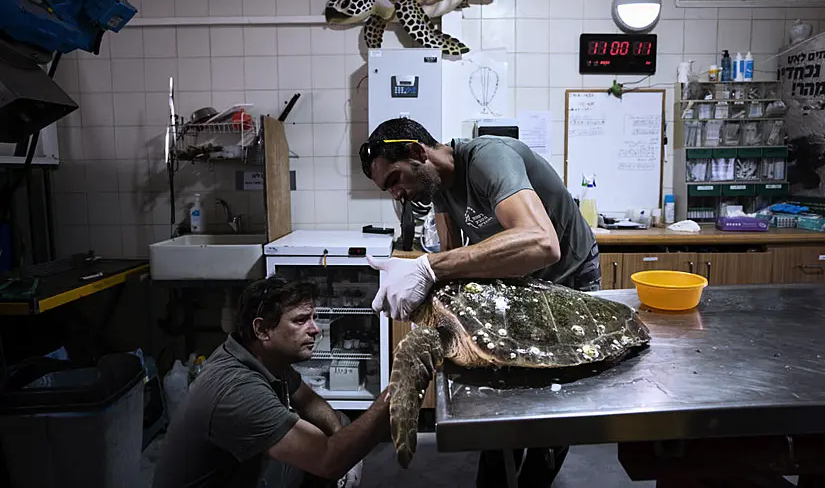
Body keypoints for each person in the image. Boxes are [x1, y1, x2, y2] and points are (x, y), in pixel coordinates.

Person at [358, 117, 601, 488]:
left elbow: (542, 244)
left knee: (554, 400)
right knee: (500, 391)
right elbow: (453, 267)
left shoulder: (489, 158)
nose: (397, 194)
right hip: (519, 283)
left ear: (417, 152)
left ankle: (537, 474)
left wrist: (426, 267)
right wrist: (427, 305)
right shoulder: (436, 186)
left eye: (394, 180)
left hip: (567, 275)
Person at [152, 276, 437, 488]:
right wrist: (398, 390)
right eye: (301, 320)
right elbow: (328, 459)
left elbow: (308, 400)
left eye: (314, 318)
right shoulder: (237, 390)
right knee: (329, 458)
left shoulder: (260, 356)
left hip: (246, 473)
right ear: (262, 329)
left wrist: (339, 430)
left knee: (340, 425)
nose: (315, 329)